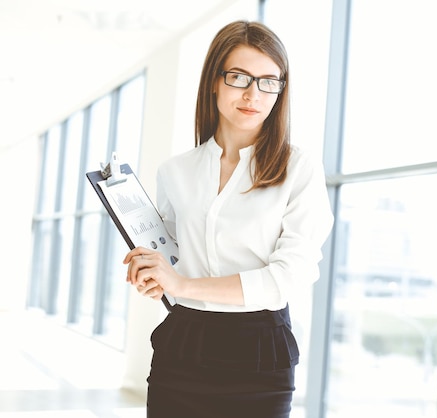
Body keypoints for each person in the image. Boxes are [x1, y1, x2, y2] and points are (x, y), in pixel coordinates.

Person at [123, 20, 334, 418]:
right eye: (239, 77)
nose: (254, 94)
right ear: (215, 81)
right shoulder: (175, 171)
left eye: (269, 81)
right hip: (182, 343)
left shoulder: (298, 168)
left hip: (259, 351)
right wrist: (151, 272)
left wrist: (183, 283)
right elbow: (171, 261)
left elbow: (287, 278)